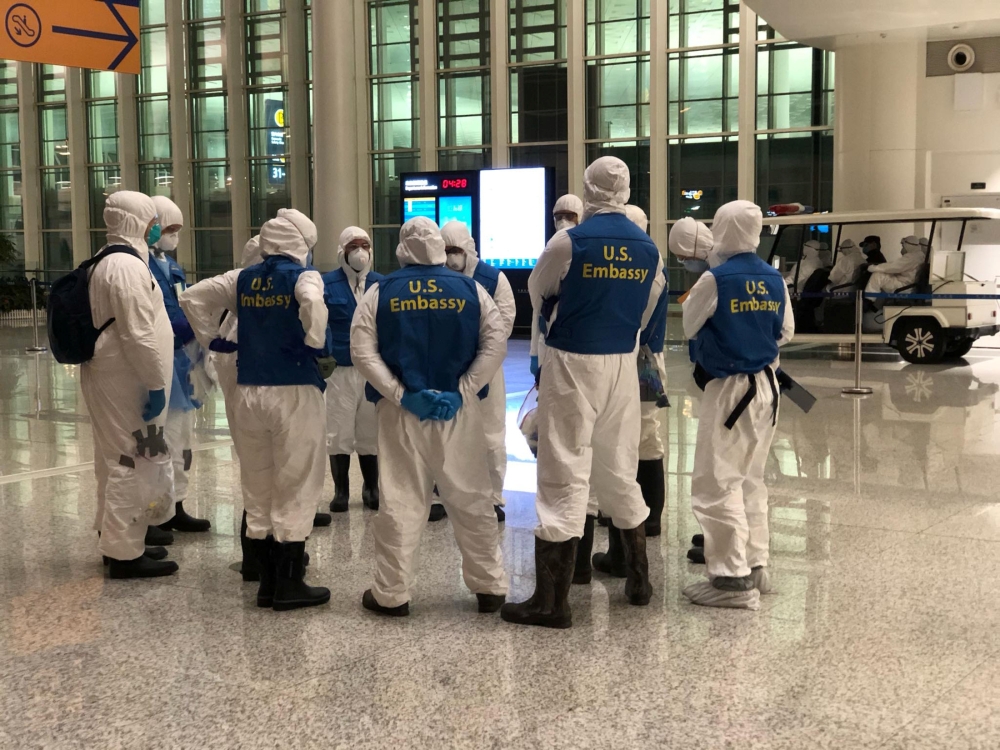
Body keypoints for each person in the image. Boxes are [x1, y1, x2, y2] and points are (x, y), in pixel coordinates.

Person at [502, 157, 665, 629]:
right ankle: (638, 580)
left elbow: (538, 290)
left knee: (563, 469)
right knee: (618, 466)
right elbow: (647, 308)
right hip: (621, 364)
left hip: (573, 361)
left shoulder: (569, 241)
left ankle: (552, 602)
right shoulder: (648, 248)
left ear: (589, 189)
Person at [352, 217, 509, 617]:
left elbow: (362, 352)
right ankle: (489, 587)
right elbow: (496, 343)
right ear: (440, 247)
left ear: (402, 248)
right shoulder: (471, 289)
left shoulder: (380, 292)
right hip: (460, 412)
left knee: (402, 500)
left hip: (401, 413)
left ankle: (392, 594)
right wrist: (463, 391)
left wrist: (403, 394)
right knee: (473, 498)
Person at [180, 209, 332, 611]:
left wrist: (213, 341)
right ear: (302, 243)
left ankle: (265, 582)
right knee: (297, 483)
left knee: (258, 484)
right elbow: (313, 304)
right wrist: (314, 342)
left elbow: (191, 297)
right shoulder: (304, 276)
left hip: (248, 392)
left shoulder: (242, 278)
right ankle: (289, 584)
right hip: (293, 390)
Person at [681, 200, 794, 610]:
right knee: (751, 478)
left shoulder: (715, 279)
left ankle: (730, 580)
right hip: (767, 387)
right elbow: (785, 332)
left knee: (716, 482)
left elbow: (691, 323)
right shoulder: (774, 279)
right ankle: (756, 564)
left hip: (730, 388)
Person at [83, 191, 178, 579]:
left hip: (120, 373)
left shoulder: (114, 261)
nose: (157, 226)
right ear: (137, 221)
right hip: (127, 377)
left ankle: (120, 540)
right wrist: (156, 384)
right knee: (127, 458)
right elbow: (138, 333)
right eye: (152, 219)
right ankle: (124, 555)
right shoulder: (124, 266)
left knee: (117, 458)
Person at [582, 204, 669, 583]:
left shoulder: (642, 266)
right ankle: (636, 534)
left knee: (623, 445)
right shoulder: (654, 261)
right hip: (644, 359)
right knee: (640, 442)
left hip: (629, 359)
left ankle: (629, 535)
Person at [441, 220, 516, 523]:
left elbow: (505, 321)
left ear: (469, 249)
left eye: (456, 250)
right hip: (445, 367)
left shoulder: (493, 279)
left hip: (486, 369)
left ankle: (492, 497)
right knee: (443, 434)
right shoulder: (436, 277)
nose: (451, 257)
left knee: (490, 435)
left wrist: (479, 357)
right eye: (445, 250)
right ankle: (441, 495)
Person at [147, 195, 212, 535]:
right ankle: (156, 513)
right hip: (158, 362)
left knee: (182, 442)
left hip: (182, 364)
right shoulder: (138, 266)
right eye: (169, 228)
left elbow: (183, 303)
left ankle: (177, 505)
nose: (174, 236)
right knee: (158, 443)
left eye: (178, 230)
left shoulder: (171, 266)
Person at [211, 235, 265, 580]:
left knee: (257, 481)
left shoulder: (235, 314)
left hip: (246, 411)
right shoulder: (249, 315)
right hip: (255, 413)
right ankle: (259, 559)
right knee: (262, 483)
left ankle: (259, 557)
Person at [324, 227, 383, 515]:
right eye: (354, 246)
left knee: (370, 431)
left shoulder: (381, 284)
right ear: (342, 251)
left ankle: (371, 487)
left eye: (365, 245)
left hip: (372, 369)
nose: (360, 251)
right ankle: (341, 491)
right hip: (340, 370)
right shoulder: (326, 284)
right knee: (339, 430)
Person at [531, 194, 584, 379]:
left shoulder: (584, 247)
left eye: (569, 216)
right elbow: (538, 298)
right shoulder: (552, 248)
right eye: (559, 216)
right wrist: (533, 353)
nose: (563, 221)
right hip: (550, 334)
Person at [864, 236, 929, 306]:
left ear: (908, 245)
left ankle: (868, 301)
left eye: (903, 246)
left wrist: (872, 268)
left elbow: (893, 267)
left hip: (904, 287)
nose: (902, 248)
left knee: (878, 275)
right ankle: (874, 306)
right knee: (885, 276)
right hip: (910, 285)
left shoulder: (911, 257)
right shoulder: (920, 255)